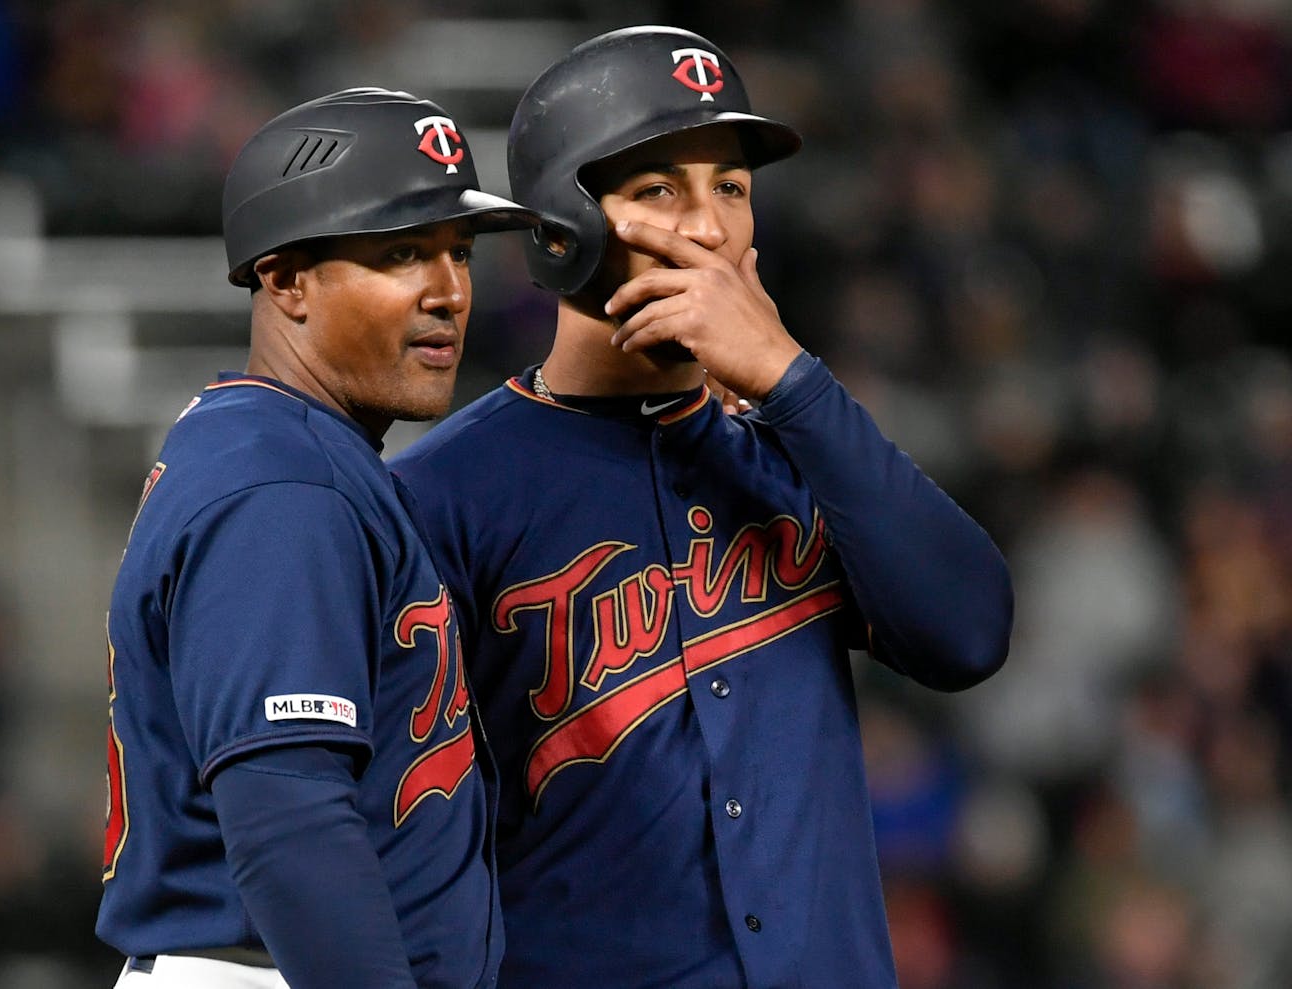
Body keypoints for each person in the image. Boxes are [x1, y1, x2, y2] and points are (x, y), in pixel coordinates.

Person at [389, 27, 1015, 989]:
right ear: (562, 223)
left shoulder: (800, 446)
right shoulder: (440, 495)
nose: (712, 227)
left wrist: (788, 380)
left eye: (730, 187)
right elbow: (407, 841)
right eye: (660, 190)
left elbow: (967, 631)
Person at [96, 87, 537, 989]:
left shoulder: (285, 450)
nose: (449, 291)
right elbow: (289, 828)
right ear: (286, 278)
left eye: (459, 252)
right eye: (402, 253)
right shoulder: (283, 485)